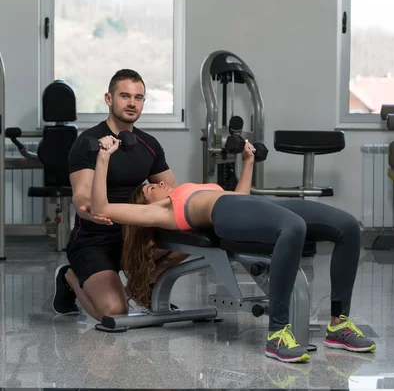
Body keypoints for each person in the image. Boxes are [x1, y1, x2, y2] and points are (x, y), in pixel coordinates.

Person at [90, 134, 376, 363]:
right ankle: (277, 334)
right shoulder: (162, 212)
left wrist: (248, 160)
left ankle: (338, 325)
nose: (160, 184)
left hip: (249, 204)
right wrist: (103, 158)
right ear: (146, 207)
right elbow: (101, 207)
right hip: (224, 213)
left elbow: (240, 198)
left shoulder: (183, 191)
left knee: (347, 226)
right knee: (293, 227)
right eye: (151, 188)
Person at [52, 69, 183, 322]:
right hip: (94, 240)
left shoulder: (149, 145)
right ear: (109, 99)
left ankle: (140, 290)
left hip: (133, 238)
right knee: (114, 313)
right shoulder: (88, 142)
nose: (132, 103)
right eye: (124, 95)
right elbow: (81, 195)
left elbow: (175, 192)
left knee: (185, 244)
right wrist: (89, 210)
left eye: (138, 97)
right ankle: (70, 277)